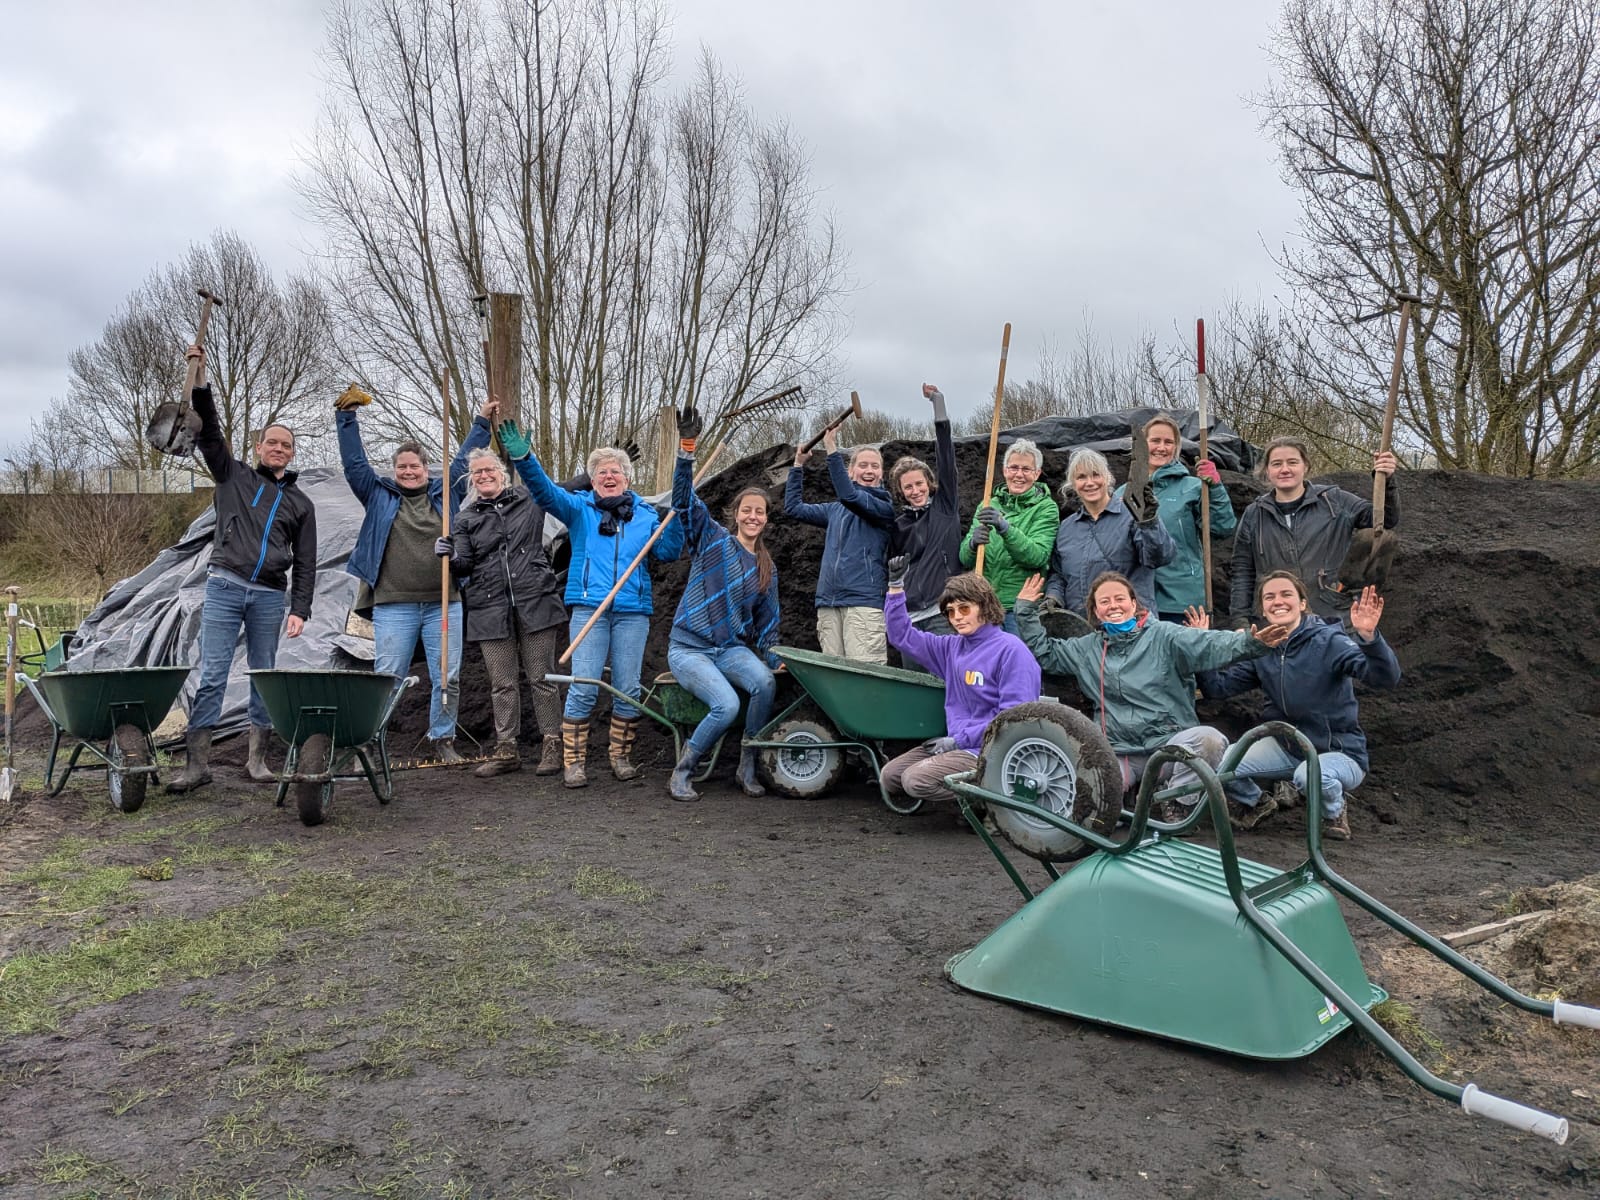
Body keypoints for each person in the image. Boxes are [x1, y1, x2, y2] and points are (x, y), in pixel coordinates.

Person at [1013, 571, 1288, 823]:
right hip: (1118, 751)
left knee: (1209, 740)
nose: (1114, 606)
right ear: (1096, 612)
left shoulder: (1164, 636)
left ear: (1134, 604)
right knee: (1091, 809)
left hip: (1169, 748)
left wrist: (1252, 643)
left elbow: (1209, 644)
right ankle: (1129, 795)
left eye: (1120, 599)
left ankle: (1178, 802)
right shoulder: (1087, 650)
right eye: (1105, 602)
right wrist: (1025, 610)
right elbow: (1045, 652)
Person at [498, 418, 685, 788]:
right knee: (584, 685)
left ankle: (620, 756)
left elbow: (669, 551)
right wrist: (524, 460)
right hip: (589, 611)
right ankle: (575, 763)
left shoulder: (648, 517)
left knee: (628, 688)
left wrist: (676, 518)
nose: (608, 476)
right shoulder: (579, 509)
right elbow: (545, 492)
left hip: (633, 613)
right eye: (601, 472)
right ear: (593, 479)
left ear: (627, 479)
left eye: (615, 471)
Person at [167, 345, 316, 793]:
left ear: (292, 454)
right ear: (259, 447)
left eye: (286, 445)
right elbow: (209, 432)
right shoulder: (233, 476)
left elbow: (307, 561)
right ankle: (197, 766)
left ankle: (256, 762)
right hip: (226, 586)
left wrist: (301, 609)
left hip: (271, 596)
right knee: (212, 674)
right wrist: (202, 384)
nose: (279, 449)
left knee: (264, 678)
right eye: (272, 442)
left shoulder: (301, 504)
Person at [1198, 572, 1401, 840]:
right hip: (1287, 747)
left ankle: (1334, 812)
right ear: (1263, 609)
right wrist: (1200, 649)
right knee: (1221, 764)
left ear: (1303, 603)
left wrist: (1369, 638)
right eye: (1269, 597)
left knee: (1309, 776)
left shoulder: (1330, 641)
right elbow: (1218, 688)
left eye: (1286, 594)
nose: (1277, 601)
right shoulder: (1263, 650)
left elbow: (1385, 678)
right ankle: (1257, 804)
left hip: (1339, 751)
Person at [337, 388, 473, 764]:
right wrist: (347, 419)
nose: (408, 472)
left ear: (426, 468)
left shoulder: (447, 493)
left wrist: (480, 422)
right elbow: (354, 465)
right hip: (393, 604)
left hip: (443, 604)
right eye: (402, 467)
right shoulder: (377, 493)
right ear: (393, 470)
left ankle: (442, 738)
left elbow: (462, 462)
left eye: (415, 466)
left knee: (448, 675)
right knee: (388, 676)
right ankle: (370, 739)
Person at [436, 410, 569, 778]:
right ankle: (507, 748)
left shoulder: (529, 501)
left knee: (542, 679)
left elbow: (563, 488)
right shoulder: (464, 519)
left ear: (502, 473)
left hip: (535, 602)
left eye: (489, 470)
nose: (483, 476)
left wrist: (597, 472)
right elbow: (463, 565)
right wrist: (449, 553)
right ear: (472, 481)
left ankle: (552, 744)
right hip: (490, 609)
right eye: (477, 473)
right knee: (502, 683)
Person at [665, 406, 780, 802]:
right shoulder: (713, 540)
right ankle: (683, 771)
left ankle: (747, 763)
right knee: (727, 705)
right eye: (746, 510)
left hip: (729, 648)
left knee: (765, 683)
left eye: (759, 512)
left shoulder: (767, 568)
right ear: (735, 515)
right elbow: (682, 500)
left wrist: (771, 655)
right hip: (690, 648)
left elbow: (767, 623)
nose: (752, 516)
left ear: (766, 519)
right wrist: (687, 449)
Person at [882, 563, 1040, 808]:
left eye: (964, 608)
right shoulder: (951, 648)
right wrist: (895, 588)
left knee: (915, 781)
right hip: (959, 744)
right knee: (890, 776)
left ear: (985, 607)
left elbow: (1013, 719)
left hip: (993, 751)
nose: (957, 617)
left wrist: (959, 742)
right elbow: (901, 636)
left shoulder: (1012, 651)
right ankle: (979, 798)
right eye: (950, 611)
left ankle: (999, 803)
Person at [1229, 436, 1398, 622]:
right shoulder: (1254, 515)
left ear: (1305, 466)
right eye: (1277, 464)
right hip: (1278, 623)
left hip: (1332, 617)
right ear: (1267, 471)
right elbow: (1242, 571)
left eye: (1292, 462)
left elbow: (1386, 520)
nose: (1285, 469)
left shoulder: (1335, 501)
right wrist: (1240, 620)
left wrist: (1387, 481)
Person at [1113, 413, 1236, 621]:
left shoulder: (1193, 487)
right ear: (1142, 444)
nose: (1161, 447)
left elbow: (1221, 528)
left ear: (1176, 447)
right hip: (1135, 599)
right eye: (1155, 441)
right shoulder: (1123, 494)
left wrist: (1215, 489)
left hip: (1182, 599)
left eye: (1168, 442)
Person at [784, 425, 893, 662]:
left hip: (863, 605)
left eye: (875, 466)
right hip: (829, 603)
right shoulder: (835, 510)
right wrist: (798, 466)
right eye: (862, 465)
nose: (869, 470)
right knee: (837, 680)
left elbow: (850, 496)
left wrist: (831, 447)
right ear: (851, 471)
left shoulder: (884, 507)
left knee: (867, 678)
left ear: (881, 474)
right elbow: (793, 508)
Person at [1047, 446, 1175, 617]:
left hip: (1129, 625)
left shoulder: (1133, 516)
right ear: (1073, 484)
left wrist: (1149, 522)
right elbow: (1059, 574)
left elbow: (1160, 557)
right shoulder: (1067, 528)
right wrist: (1054, 596)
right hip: (1084, 628)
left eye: (1096, 474)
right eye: (1081, 477)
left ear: (1107, 478)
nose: (1090, 482)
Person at [888, 383, 964, 636]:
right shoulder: (899, 525)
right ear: (900, 491)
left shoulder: (945, 506)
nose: (915, 490)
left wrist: (938, 404)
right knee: (913, 676)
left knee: (946, 675)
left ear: (929, 483)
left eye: (919, 483)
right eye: (908, 487)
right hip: (910, 618)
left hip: (942, 612)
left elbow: (946, 456)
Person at [958, 438, 1058, 629]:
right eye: (1013, 468)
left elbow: (1037, 556)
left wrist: (1005, 528)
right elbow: (965, 559)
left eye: (1026, 469)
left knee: (1016, 658)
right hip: (987, 604)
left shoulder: (1046, 508)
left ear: (1036, 474)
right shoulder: (987, 504)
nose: (1019, 474)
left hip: (1020, 607)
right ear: (1004, 471)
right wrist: (971, 546)